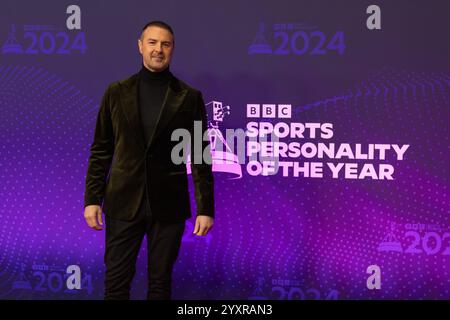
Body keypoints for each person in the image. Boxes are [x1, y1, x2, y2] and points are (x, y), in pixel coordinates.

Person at [83, 20, 215, 300]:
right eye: (152, 42)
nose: (158, 49)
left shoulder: (189, 98)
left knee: (160, 284)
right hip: (121, 202)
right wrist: (92, 198)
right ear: (140, 46)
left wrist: (206, 208)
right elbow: (101, 150)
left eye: (165, 44)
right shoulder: (116, 92)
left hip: (168, 206)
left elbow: (201, 156)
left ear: (173, 50)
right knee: (116, 284)